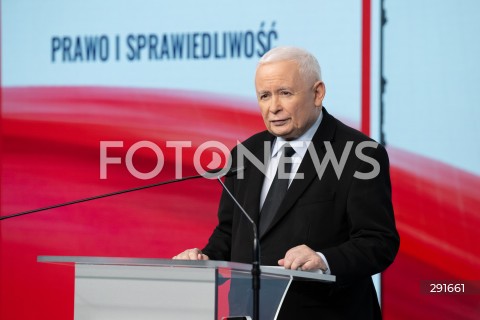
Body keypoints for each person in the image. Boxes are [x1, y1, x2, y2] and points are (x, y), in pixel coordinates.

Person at [173, 46, 400, 319]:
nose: (274, 107)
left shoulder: (359, 154)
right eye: (264, 96)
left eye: (285, 93)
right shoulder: (246, 154)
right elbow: (230, 232)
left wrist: (324, 260)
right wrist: (206, 259)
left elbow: (378, 242)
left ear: (317, 93)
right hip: (248, 312)